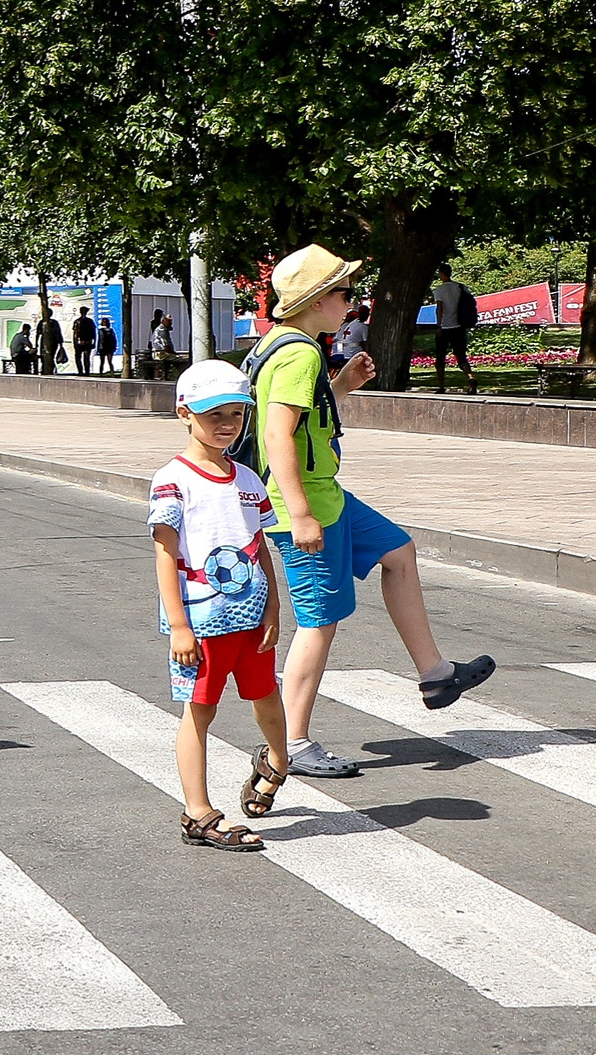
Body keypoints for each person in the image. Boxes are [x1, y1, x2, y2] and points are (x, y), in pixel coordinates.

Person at [251, 246, 494, 782]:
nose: (350, 300)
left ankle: (435, 674)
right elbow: (277, 434)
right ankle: (288, 744)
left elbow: (300, 416)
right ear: (316, 302)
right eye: (342, 293)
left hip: (325, 495)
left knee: (397, 550)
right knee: (318, 623)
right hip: (309, 503)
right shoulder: (300, 354)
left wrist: (340, 388)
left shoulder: (287, 346)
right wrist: (301, 513)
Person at [149, 361, 291, 852]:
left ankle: (277, 760)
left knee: (266, 696)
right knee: (200, 711)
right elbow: (166, 554)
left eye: (236, 413)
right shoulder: (173, 480)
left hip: (251, 619)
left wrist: (273, 605)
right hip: (203, 623)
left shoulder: (248, 477)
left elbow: (258, 545)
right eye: (214, 414)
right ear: (184, 413)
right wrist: (180, 627)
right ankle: (197, 811)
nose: (227, 424)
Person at [430, 264, 478, 392]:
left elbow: (440, 308)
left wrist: (439, 325)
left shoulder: (439, 290)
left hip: (445, 327)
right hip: (459, 325)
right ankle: (470, 377)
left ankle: (441, 386)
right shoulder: (460, 287)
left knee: (440, 358)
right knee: (461, 356)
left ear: (441, 274)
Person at [36, 305, 65, 376]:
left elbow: (58, 332)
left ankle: (49, 370)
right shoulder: (42, 322)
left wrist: (60, 343)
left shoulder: (51, 322)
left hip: (52, 342)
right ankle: (45, 369)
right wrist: (36, 343)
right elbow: (38, 333)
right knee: (44, 357)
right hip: (45, 342)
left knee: (51, 357)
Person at [71, 305, 97, 376]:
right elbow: (94, 333)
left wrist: (75, 342)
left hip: (80, 342)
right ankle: (86, 371)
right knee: (86, 358)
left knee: (79, 357)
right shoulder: (90, 321)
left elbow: (75, 334)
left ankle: (81, 371)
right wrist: (94, 342)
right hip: (87, 342)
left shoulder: (77, 321)